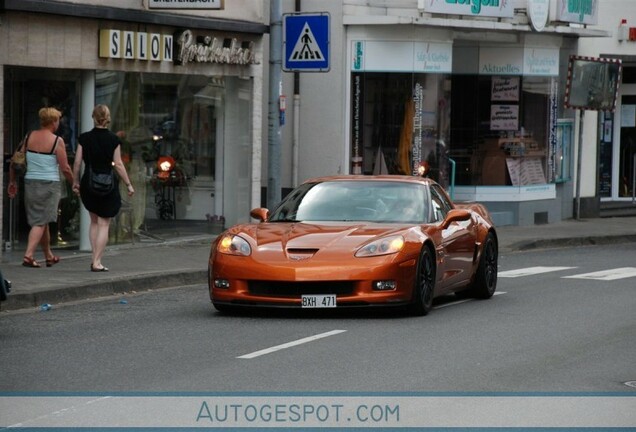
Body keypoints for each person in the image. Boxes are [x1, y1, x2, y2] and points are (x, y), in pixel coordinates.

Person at [7, 107, 74, 268]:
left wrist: (12, 181)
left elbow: (16, 160)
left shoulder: (29, 136)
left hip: (30, 182)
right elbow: (65, 168)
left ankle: (48, 255)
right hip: (49, 184)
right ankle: (29, 255)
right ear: (53, 122)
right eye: (58, 120)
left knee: (40, 218)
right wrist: (75, 183)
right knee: (41, 221)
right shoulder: (57, 141)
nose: (59, 123)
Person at [72, 104, 135, 272]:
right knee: (104, 224)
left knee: (94, 221)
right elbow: (119, 164)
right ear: (107, 118)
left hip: (89, 184)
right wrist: (128, 184)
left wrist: (75, 181)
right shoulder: (114, 139)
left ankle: (94, 258)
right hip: (107, 185)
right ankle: (97, 261)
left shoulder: (84, 138)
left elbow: (77, 163)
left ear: (94, 117)